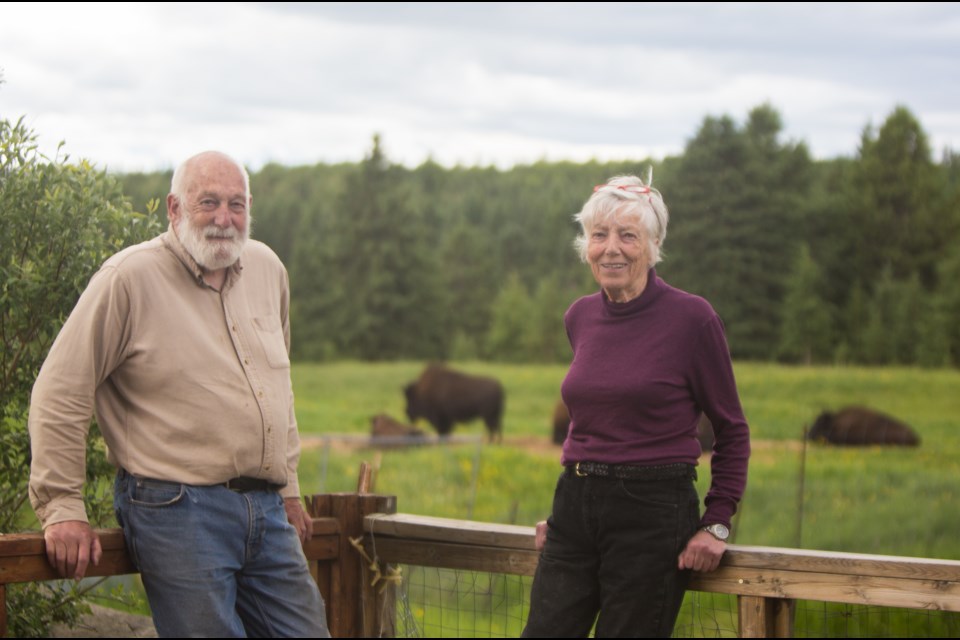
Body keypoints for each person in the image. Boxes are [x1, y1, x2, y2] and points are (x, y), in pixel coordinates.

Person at [28, 151, 329, 638]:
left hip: (267, 511)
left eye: (236, 204)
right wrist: (62, 507)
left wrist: (290, 488)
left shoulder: (268, 269)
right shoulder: (128, 279)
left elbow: (279, 390)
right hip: (177, 509)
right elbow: (60, 392)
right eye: (208, 202)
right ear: (174, 208)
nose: (224, 219)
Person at [522, 174, 750, 638]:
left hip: (653, 513)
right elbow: (596, 412)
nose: (612, 249)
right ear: (585, 244)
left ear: (653, 243)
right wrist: (569, 514)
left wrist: (717, 523)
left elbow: (731, 429)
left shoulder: (692, 319)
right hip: (576, 506)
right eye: (599, 235)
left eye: (628, 235)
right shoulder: (579, 316)